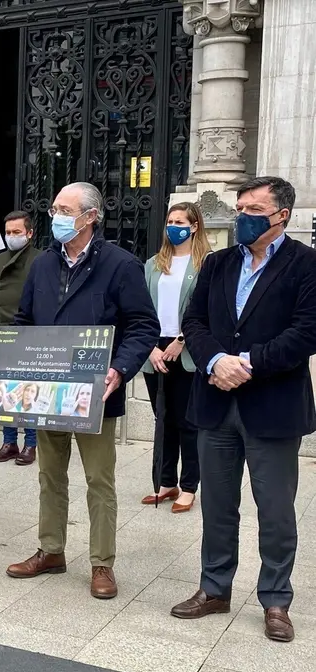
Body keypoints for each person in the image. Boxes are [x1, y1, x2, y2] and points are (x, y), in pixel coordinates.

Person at [171, 177, 316, 643]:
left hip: (271, 406)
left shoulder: (305, 265)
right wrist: (215, 360)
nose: (242, 217)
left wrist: (247, 364)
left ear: (282, 216)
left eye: (253, 208)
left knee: (275, 510)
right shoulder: (217, 263)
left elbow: (306, 332)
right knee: (217, 506)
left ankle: (276, 599)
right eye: (239, 208)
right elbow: (193, 320)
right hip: (215, 403)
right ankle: (214, 588)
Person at [0, 182, 158, 600]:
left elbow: (143, 326)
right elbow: (25, 320)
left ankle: (102, 563)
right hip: (48, 391)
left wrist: (120, 369)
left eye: (65, 210)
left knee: (98, 480)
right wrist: (6, 359)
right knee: (50, 476)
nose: (56, 217)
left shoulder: (121, 265)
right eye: (54, 209)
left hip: (95, 393)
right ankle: (50, 550)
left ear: (90, 217)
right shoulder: (43, 264)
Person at [140, 202, 209, 513]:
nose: (173, 226)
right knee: (163, 420)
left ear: (194, 226)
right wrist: (151, 346)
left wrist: (182, 340)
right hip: (156, 348)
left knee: (187, 422)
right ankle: (165, 482)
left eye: (179, 221)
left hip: (188, 349)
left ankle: (190, 485)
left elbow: (207, 311)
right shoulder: (153, 264)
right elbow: (141, 310)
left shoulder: (207, 263)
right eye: (169, 221)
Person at [0, 210, 42, 466]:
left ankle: (31, 443)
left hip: (30, 334)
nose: (11, 237)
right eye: (8, 232)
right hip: (2, 333)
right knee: (5, 390)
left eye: (17, 232)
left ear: (29, 233)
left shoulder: (41, 259)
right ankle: (9, 441)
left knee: (28, 391)